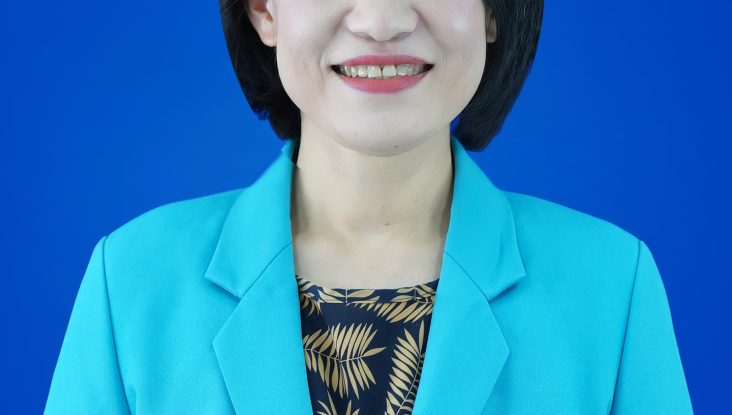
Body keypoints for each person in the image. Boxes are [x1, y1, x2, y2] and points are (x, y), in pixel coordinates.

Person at [45, 0, 694, 413]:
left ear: (494, 11)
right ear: (264, 10)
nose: (381, 21)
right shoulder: (130, 280)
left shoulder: (612, 285)